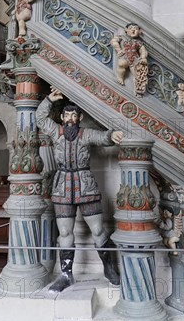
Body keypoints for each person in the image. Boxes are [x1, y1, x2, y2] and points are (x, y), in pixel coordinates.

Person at [36, 87, 124, 292]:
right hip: (62, 188)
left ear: (79, 117)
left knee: (98, 229)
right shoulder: (55, 131)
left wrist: (114, 134)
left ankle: (109, 270)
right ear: (61, 117)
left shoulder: (85, 134)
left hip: (86, 187)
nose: (70, 119)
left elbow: (103, 137)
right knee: (65, 231)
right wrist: (49, 99)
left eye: (74, 115)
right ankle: (66, 275)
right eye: (66, 115)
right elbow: (40, 118)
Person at [111, 22, 148, 96]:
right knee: (121, 64)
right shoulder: (122, 37)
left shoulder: (138, 42)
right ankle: (120, 78)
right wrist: (118, 50)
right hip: (125, 56)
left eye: (136, 29)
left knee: (137, 74)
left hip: (135, 59)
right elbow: (113, 41)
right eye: (131, 29)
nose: (133, 30)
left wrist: (143, 57)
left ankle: (138, 89)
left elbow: (143, 50)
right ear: (126, 30)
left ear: (139, 31)